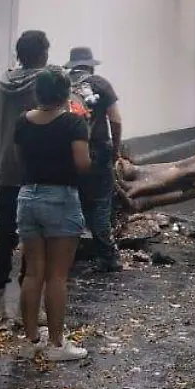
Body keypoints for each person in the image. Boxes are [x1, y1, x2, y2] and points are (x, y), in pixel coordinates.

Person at [14, 67, 91, 361]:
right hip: (60, 197)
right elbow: (82, 164)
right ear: (64, 93)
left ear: (38, 92)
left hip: (28, 196)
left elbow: (22, 160)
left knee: (34, 272)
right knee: (57, 276)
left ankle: (32, 340)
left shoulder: (23, 122)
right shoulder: (73, 123)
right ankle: (57, 345)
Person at [0, 30, 50, 323]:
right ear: (42, 54)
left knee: (4, 239)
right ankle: (28, 310)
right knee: (34, 243)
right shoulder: (45, 86)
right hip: (37, 177)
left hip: (6, 177)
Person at [64, 46, 123, 272]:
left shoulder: (64, 85)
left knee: (73, 201)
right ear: (90, 65)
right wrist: (115, 149)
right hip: (98, 151)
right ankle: (106, 256)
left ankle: (69, 253)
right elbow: (116, 120)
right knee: (100, 203)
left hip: (69, 154)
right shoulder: (101, 84)